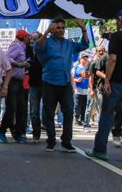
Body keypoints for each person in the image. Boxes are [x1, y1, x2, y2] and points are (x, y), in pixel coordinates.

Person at [86, 10, 122, 163]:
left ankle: (100, 150)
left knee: (107, 115)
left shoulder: (116, 37)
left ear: (119, 21)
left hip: (117, 81)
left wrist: (107, 80)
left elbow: (112, 59)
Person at [35, 17, 89, 152]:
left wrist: (83, 29)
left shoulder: (69, 44)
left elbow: (85, 45)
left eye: (62, 28)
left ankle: (66, 141)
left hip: (65, 84)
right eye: (58, 28)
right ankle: (51, 141)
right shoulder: (46, 42)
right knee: (49, 114)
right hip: (49, 83)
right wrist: (47, 31)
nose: (60, 30)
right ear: (53, 29)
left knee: (69, 112)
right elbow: (37, 46)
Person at [0, 29, 30, 144]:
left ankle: (17, 133)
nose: (29, 40)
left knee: (21, 108)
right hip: (11, 81)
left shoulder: (21, 47)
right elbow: (7, 59)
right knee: (11, 108)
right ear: (24, 37)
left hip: (18, 82)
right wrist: (20, 64)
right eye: (28, 37)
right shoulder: (17, 46)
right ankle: (2, 130)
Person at [84, 46, 107, 132]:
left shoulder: (105, 63)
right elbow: (91, 77)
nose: (101, 52)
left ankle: (100, 126)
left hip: (101, 89)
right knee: (90, 107)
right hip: (93, 88)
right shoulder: (93, 63)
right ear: (96, 52)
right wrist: (91, 89)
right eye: (99, 51)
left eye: (102, 51)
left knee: (100, 108)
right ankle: (86, 124)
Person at [28, 31, 44, 142]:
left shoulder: (45, 51)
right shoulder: (28, 51)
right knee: (34, 111)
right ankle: (36, 134)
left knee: (47, 110)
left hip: (46, 84)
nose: (32, 42)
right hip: (33, 85)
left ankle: (50, 135)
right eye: (31, 39)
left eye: (35, 39)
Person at [73, 53, 90, 126]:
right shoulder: (76, 67)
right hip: (78, 90)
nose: (84, 60)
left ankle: (82, 119)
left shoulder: (89, 68)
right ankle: (76, 117)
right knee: (77, 106)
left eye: (86, 59)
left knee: (84, 106)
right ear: (80, 59)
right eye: (83, 59)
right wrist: (77, 80)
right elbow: (71, 78)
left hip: (86, 91)